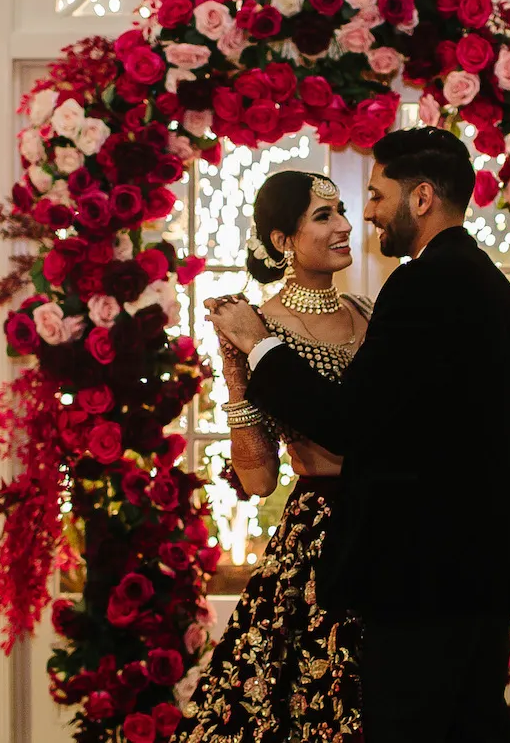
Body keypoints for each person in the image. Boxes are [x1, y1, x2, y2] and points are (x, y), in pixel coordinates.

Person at [206, 127, 510, 743]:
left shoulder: (415, 290)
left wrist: (259, 346)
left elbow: (351, 421)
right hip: (467, 566)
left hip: (421, 573)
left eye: (372, 195)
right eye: (329, 212)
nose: (360, 217)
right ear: (283, 240)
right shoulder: (491, 287)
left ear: (420, 199)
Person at [179, 170, 370, 743]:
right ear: (284, 240)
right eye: (323, 216)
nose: (344, 226)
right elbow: (259, 480)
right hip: (322, 536)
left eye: (341, 212)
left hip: (389, 522)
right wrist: (237, 374)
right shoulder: (257, 325)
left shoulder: (368, 311)